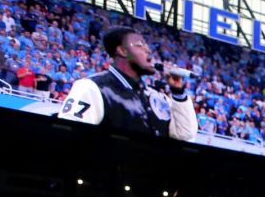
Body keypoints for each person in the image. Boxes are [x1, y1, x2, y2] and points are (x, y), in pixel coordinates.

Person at [56, 26, 196, 141]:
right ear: (122, 51)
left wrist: (178, 92)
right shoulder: (92, 87)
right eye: (140, 45)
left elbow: (185, 134)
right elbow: (69, 136)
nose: (148, 50)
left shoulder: (157, 96)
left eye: (146, 45)